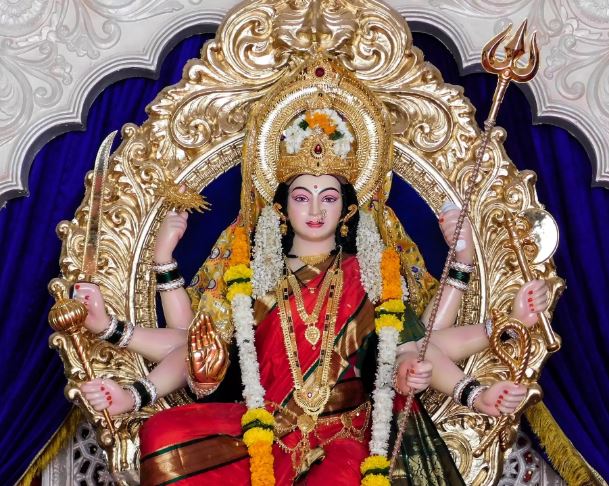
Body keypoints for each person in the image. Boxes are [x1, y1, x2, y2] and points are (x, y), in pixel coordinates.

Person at [75, 54, 548, 485]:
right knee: (162, 437)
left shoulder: (370, 273)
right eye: (302, 197)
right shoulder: (252, 275)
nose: (316, 210)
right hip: (265, 430)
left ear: (347, 208)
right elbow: (193, 345)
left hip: (344, 436)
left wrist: (473, 387)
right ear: (282, 207)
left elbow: (418, 347)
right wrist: (121, 354)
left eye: (329, 197)